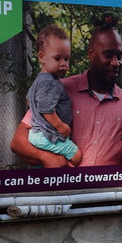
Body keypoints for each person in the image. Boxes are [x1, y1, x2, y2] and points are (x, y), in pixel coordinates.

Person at [11, 14, 122, 168]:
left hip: (106, 191)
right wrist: (46, 158)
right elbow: (18, 142)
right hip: (64, 190)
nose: (115, 63)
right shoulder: (59, 89)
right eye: (108, 55)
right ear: (91, 54)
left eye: (119, 56)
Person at [25, 25, 81, 166]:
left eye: (66, 59)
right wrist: (60, 126)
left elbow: (28, 101)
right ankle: (64, 174)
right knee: (76, 155)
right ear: (42, 57)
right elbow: (45, 108)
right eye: (57, 59)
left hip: (38, 132)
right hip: (47, 135)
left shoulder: (40, 79)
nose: (63, 64)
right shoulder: (50, 83)